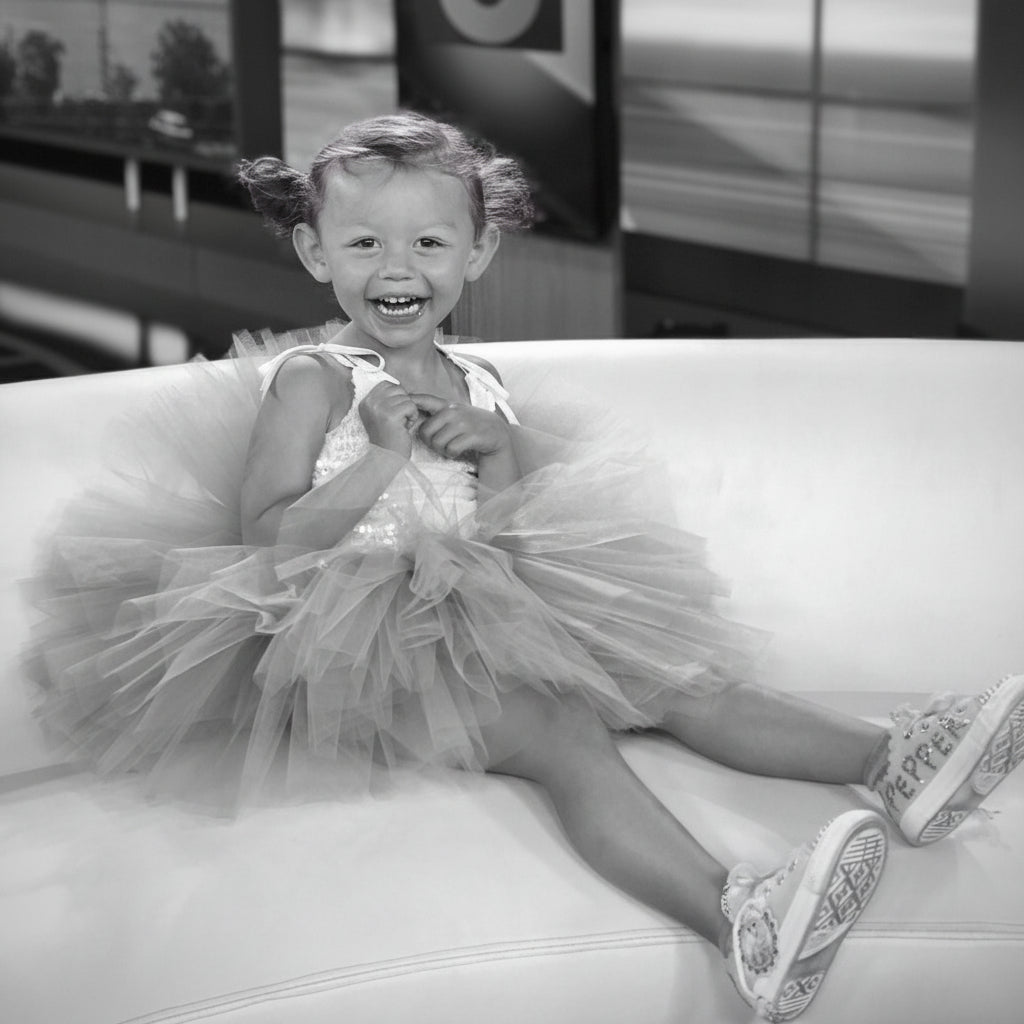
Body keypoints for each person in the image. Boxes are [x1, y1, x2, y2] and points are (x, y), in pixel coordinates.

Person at [25, 113, 1024, 1023]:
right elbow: (269, 538)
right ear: (313, 249)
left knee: (671, 678)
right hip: (343, 646)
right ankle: (742, 928)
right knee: (562, 730)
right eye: (364, 241)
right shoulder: (315, 380)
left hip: (484, 601)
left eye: (428, 241)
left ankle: (891, 762)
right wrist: (377, 453)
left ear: (479, 250)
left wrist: (493, 452)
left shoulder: (480, 380)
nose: (396, 266)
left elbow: (507, 527)